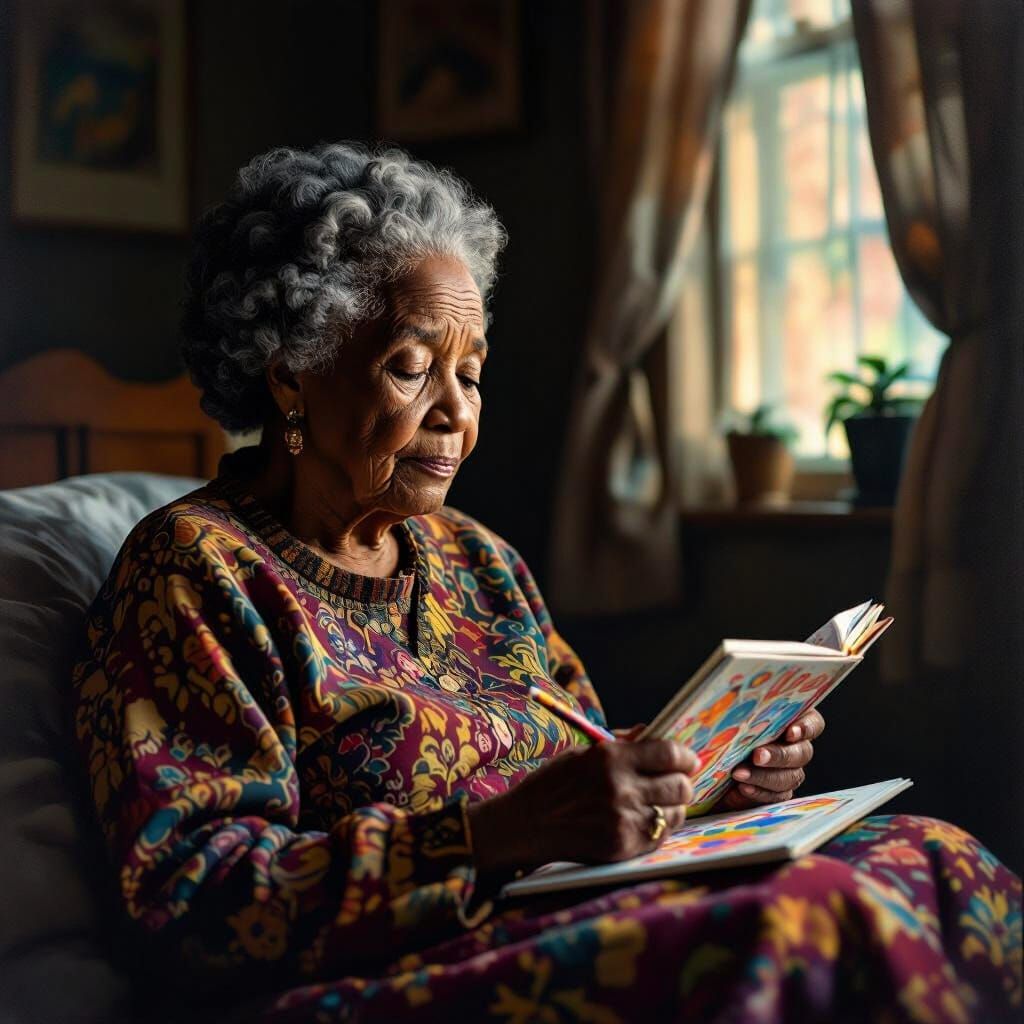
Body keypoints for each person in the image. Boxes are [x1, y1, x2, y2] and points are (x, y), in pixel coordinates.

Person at [73, 142, 1021, 1023]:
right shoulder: (196, 571)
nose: (456, 414)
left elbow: (586, 773)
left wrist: (704, 779)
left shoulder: (479, 560)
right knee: (808, 922)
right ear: (291, 377)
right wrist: (488, 838)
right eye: (412, 369)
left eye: (472, 375)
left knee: (937, 854)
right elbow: (190, 903)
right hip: (390, 971)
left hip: (569, 908)